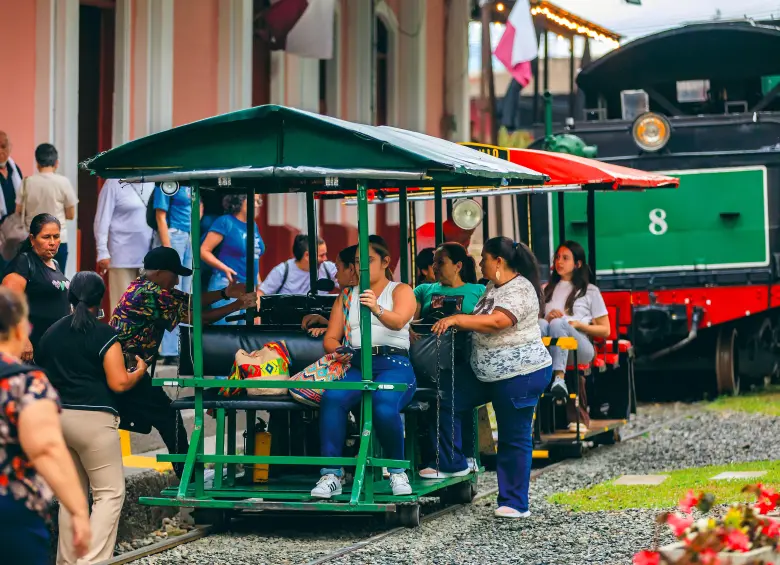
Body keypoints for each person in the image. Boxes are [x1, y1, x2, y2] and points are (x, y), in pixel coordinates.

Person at [431, 236, 552, 519]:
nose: (480, 262)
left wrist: (458, 319)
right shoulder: (491, 287)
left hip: (519, 374)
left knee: (513, 437)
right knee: (447, 397)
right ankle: (454, 462)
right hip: (485, 373)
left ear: (499, 261)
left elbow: (498, 321)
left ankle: (514, 503)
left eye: (484, 257)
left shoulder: (520, 288)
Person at [110, 247, 256, 477]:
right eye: (174, 274)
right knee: (169, 416)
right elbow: (200, 317)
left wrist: (226, 293)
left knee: (168, 417)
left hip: (130, 368)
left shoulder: (149, 287)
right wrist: (239, 304)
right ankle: (188, 475)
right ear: (158, 272)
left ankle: (187, 473)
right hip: (125, 370)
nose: (177, 280)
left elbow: (190, 301)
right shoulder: (150, 294)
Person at [36, 271, 147, 564]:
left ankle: (67, 560)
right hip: (94, 421)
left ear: (70, 297)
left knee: (72, 497)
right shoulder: (104, 334)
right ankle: (92, 561)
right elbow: (118, 382)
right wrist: (139, 373)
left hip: (57, 418)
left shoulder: (51, 333)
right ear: (101, 300)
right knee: (109, 494)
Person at [311, 235, 417, 498]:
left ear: (385, 262)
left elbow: (399, 320)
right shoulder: (346, 296)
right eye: (358, 262)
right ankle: (331, 474)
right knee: (332, 398)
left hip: (394, 364)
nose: (362, 267)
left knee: (383, 404)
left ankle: (397, 471)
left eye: (368, 260)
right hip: (357, 364)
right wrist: (339, 351)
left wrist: (376, 308)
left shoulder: (401, 290)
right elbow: (330, 338)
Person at [0, 286, 91, 564]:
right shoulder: (25, 383)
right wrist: (78, 510)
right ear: (18, 330)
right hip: (10, 512)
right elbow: (46, 449)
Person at [413, 243, 485, 479]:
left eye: (440, 262)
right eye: (433, 262)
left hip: (463, 356)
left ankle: (465, 455)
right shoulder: (423, 290)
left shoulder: (477, 291)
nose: (435, 267)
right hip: (428, 356)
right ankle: (438, 458)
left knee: (456, 400)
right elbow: (410, 320)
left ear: (458, 266)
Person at [538, 241, 610, 432]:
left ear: (577, 264)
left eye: (565, 258)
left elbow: (605, 330)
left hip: (581, 347)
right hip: (553, 347)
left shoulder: (590, 291)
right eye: (557, 257)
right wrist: (547, 316)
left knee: (559, 323)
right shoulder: (546, 289)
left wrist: (577, 324)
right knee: (542, 323)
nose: (559, 261)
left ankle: (559, 377)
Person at [2, 214, 69, 361]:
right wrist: (24, 339)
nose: (52, 242)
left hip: (56, 347)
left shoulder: (55, 264)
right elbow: (7, 306)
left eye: (56, 236)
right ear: (32, 239)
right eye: (46, 237)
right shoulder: (24, 263)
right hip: (33, 348)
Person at [200, 194, 265, 324]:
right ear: (240, 202)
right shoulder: (225, 222)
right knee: (227, 336)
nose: (258, 204)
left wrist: (258, 287)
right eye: (254, 200)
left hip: (249, 288)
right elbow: (203, 250)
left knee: (244, 336)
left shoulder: (253, 225)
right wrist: (225, 268)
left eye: (259, 201)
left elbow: (254, 257)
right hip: (228, 285)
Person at [94, 179, 155, 310]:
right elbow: (102, 219)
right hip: (121, 254)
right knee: (122, 305)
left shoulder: (154, 180)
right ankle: (120, 331)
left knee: (146, 307)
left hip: (148, 255)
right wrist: (102, 251)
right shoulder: (113, 183)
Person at [15, 143, 77, 269]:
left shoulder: (27, 182)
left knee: (33, 282)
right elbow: (71, 215)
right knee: (57, 282)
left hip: (34, 241)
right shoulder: (63, 182)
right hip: (57, 241)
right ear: (56, 163)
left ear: (37, 163)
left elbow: (18, 211)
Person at [152, 184, 193, 365]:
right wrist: (167, 250)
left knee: (186, 293)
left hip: (189, 235)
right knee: (171, 292)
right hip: (174, 235)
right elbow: (160, 216)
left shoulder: (191, 181)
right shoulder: (168, 184)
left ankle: (183, 347)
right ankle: (169, 350)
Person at [302, 244, 358, 337]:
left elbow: (362, 334)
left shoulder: (368, 297)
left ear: (351, 269)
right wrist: (326, 323)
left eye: (338, 269)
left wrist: (330, 332)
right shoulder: (346, 297)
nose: (336, 275)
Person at [259, 234, 337, 296]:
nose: (325, 259)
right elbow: (261, 293)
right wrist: (257, 315)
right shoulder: (282, 271)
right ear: (307, 255)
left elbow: (347, 282)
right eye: (321, 255)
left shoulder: (328, 268)